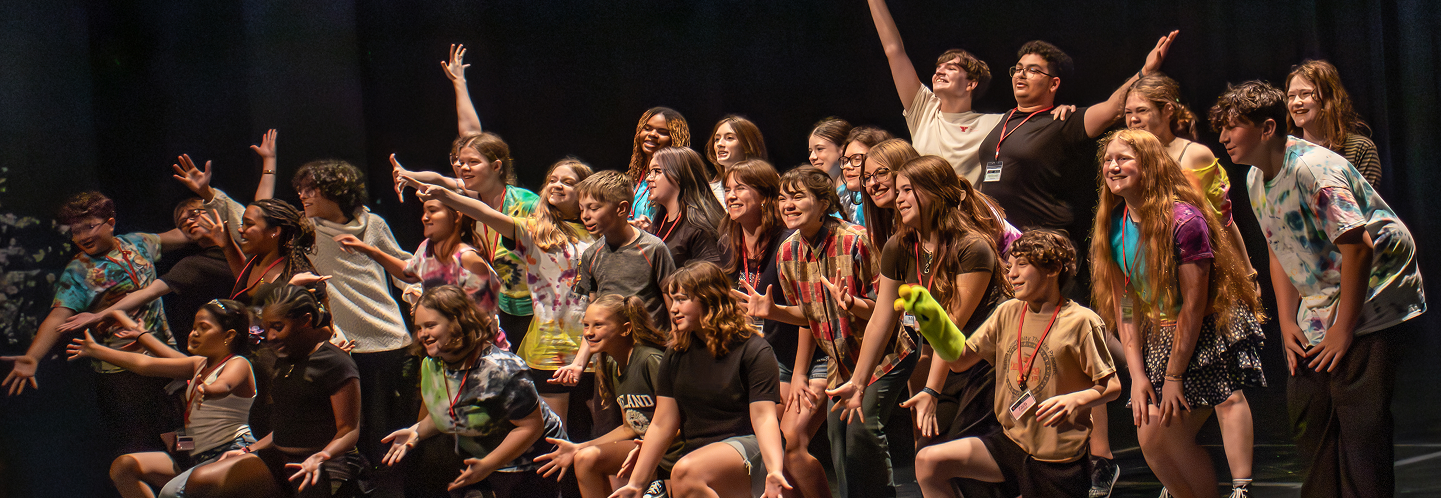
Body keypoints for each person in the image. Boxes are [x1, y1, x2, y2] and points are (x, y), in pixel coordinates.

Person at [1212, 81, 1425, 497]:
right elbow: (1279, 247)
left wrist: (1344, 330)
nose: (1222, 138)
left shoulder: (1312, 171)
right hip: (1322, 293)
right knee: (1310, 414)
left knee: (1360, 423)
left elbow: (1359, 247)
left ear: (1267, 128)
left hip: (1376, 287)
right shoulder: (1256, 178)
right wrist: (1288, 318)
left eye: (1232, 128)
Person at [1091, 129, 1268, 498]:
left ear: (1150, 164)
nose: (1113, 166)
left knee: (1170, 434)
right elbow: (1126, 304)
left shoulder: (1185, 221)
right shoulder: (1116, 223)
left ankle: (1234, 487)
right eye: (1108, 159)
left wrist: (1174, 376)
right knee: (1150, 438)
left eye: (1123, 158)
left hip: (1203, 330)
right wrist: (1137, 377)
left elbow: (1195, 303)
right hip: (1160, 332)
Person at [906, 229, 1120, 497]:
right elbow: (960, 361)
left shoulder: (1081, 322)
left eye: (1022, 265)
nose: (1012, 274)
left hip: (1057, 460)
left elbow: (1111, 386)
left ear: (1052, 269)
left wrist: (1076, 400)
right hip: (1010, 443)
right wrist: (932, 320)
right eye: (1010, 266)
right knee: (929, 462)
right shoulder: (1008, 312)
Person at [742, 166, 914, 498]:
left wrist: (853, 304)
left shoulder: (856, 239)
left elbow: (891, 308)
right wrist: (774, 311)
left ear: (824, 203)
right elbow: (808, 316)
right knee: (840, 443)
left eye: (798, 197)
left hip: (886, 353)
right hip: (841, 361)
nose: (787, 205)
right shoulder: (788, 251)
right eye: (782, 198)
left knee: (862, 430)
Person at [1125, 73, 1260, 495]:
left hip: (1207, 280)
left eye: (1141, 112)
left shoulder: (1192, 153)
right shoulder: (1129, 160)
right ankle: (1179, 476)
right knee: (1171, 403)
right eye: (1128, 113)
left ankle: (1241, 484)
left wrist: (1248, 272)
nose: (1133, 120)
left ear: (1167, 111)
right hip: (1162, 293)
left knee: (1225, 389)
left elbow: (1219, 220)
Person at [976, 33, 1178, 298]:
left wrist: (1145, 70)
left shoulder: (1064, 121)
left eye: (1033, 70)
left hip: (1044, 249)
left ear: (1053, 83)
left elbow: (1112, 109)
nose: (1021, 75)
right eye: (1019, 69)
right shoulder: (1003, 121)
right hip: (1001, 247)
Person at [406, 158, 597, 428]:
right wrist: (444, 194)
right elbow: (485, 213)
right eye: (553, 180)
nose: (558, 185)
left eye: (568, 182)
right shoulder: (533, 231)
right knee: (557, 437)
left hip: (596, 348)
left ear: (586, 190)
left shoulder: (600, 232)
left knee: (594, 432)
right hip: (549, 349)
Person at [3, 192, 188, 460]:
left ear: (110, 222)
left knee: (182, 439)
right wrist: (33, 356)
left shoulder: (138, 243)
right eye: (75, 232)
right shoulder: (79, 270)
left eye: (89, 227)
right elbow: (57, 316)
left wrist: (208, 213)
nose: (81, 237)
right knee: (140, 447)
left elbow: (183, 236)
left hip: (165, 357)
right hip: (123, 371)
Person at [866, 155, 1012, 450]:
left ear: (935, 193)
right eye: (899, 190)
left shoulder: (972, 246)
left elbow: (952, 328)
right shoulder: (901, 244)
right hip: (947, 363)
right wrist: (858, 383)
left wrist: (931, 389)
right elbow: (882, 317)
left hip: (984, 366)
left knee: (950, 459)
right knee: (927, 456)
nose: (899, 199)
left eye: (908, 190)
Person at [612, 261, 790, 498]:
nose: (673, 308)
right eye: (672, 299)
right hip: (698, 453)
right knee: (685, 472)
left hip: (751, 446)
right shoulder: (675, 354)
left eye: (682, 299)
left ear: (709, 299)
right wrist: (636, 484)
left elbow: (764, 416)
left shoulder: (753, 349)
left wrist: (775, 470)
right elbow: (662, 422)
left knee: (685, 472)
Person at [379, 286, 568, 497]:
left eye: (431, 325)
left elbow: (530, 427)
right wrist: (417, 431)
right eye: (419, 327)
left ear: (457, 323)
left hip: (529, 464)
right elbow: (452, 411)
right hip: (481, 462)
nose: (423, 334)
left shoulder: (503, 369)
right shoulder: (433, 364)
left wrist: (487, 465)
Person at [184, 285, 366, 498]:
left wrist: (321, 457)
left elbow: (349, 430)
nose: (270, 336)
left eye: (278, 327)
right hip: (280, 458)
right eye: (266, 327)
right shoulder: (285, 361)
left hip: (325, 464)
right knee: (201, 481)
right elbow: (285, 427)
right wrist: (248, 450)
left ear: (306, 320)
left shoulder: (334, 362)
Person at [865, 0, 1074, 184]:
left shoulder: (994, 124)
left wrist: (1060, 109)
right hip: (923, 218)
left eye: (951, 68)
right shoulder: (924, 111)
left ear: (971, 84)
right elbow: (894, 51)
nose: (940, 70)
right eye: (938, 67)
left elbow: (1036, 119)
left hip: (965, 223)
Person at [67, 301, 259, 498]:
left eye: (204, 328)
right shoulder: (198, 364)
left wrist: (210, 389)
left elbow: (226, 384)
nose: (194, 333)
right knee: (124, 467)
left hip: (231, 451)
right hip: (196, 451)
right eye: (194, 328)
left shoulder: (238, 363)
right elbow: (145, 364)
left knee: (170, 492)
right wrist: (96, 350)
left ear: (229, 335)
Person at [721, 159, 828, 498]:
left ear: (765, 196)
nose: (731, 196)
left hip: (814, 354)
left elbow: (812, 314)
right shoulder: (731, 242)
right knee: (776, 444)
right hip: (772, 354)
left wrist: (798, 373)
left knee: (792, 438)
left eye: (740, 188)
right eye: (727, 189)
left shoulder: (787, 240)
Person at [392, 133, 540, 349]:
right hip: (503, 306)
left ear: (497, 166)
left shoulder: (526, 203)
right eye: (461, 162)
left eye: (473, 162)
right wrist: (407, 174)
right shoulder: (471, 199)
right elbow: (440, 179)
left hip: (535, 306)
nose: (463, 168)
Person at [533, 295, 675, 498]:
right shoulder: (611, 364)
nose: (589, 333)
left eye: (598, 325)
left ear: (626, 329)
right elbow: (629, 427)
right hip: (640, 446)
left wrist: (651, 445)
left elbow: (681, 421)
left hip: (670, 449)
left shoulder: (649, 360)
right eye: (586, 325)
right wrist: (578, 447)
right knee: (584, 458)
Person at [58, 198, 235, 353]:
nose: (189, 222)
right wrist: (98, 316)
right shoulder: (193, 265)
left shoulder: (243, 239)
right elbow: (147, 293)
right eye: (182, 223)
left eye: (194, 213)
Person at [575, 170, 678, 330]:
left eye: (594, 208)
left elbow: (672, 303)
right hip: (611, 349)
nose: (585, 216)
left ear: (622, 208)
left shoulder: (653, 248)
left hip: (650, 348)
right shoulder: (591, 255)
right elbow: (593, 310)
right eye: (582, 209)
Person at [1285, 60, 1382, 186]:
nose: (1296, 102)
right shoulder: (1285, 153)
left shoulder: (1360, 150)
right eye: (1291, 96)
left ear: (1328, 98)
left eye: (1305, 94)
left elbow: (1365, 204)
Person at [646, 146, 731, 269]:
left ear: (679, 176)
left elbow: (711, 279)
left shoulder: (700, 228)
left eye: (657, 171)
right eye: (650, 172)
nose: (649, 178)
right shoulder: (660, 220)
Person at [627, 107, 692, 225]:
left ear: (675, 140)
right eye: (647, 129)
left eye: (662, 132)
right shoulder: (634, 178)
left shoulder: (676, 184)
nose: (652, 134)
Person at [858, 138, 915, 251]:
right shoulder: (890, 227)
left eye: (881, 173)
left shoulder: (928, 230)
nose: (873, 183)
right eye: (867, 178)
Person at [807, 117, 860, 224]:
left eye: (819, 149)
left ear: (843, 149)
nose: (812, 157)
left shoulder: (859, 195)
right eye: (810, 151)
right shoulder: (823, 195)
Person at [706, 115, 768, 202]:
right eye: (716, 139)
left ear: (748, 145)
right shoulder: (706, 191)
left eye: (729, 138)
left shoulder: (768, 186)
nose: (719, 144)